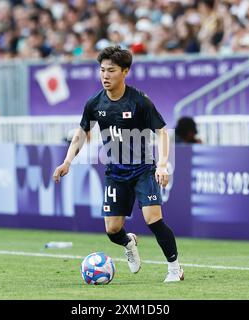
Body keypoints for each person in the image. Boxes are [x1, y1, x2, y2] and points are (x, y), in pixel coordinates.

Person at [53, 46, 184, 283]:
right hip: (115, 171)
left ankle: (175, 268)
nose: (105, 75)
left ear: (125, 72)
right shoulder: (94, 103)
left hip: (143, 168)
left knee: (152, 218)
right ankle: (129, 242)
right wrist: (67, 161)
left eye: (111, 71)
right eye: (102, 70)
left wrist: (162, 164)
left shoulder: (139, 101)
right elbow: (81, 133)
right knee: (113, 230)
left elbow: (162, 132)